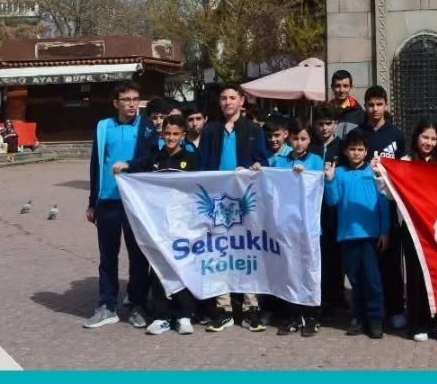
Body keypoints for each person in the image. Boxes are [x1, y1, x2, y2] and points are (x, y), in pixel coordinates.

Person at [196, 83, 270, 331]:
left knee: (247, 251)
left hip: (245, 202)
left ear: (242, 102)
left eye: (232, 98)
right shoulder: (210, 130)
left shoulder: (252, 130)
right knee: (219, 254)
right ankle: (223, 308)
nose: (227, 102)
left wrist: (255, 167)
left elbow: (262, 160)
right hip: (217, 201)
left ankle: (251, 308)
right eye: (223, 98)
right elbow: (202, 164)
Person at [116, 116, 199, 335]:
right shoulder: (155, 158)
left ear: (183, 135)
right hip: (159, 225)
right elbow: (136, 166)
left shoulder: (192, 160)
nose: (171, 138)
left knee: (182, 267)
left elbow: (205, 184)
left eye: (175, 134)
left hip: (183, 225)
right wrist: (125, 165)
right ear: (162, 135)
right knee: (159, 267)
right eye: (167, 133)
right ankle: (161, 315)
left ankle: (183, 315)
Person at [374, 119, 437, 342]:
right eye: (425, 137)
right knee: (416, 275)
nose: (428, 142)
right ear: (416, 137)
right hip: (411, 229)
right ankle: (418, 324)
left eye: (433, 138)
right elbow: (391, 193)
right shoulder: (404, 162)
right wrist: (381, 175)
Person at [85, 81, 152, 330]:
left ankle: (137, 305)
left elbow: (150, 159)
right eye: (126, 99)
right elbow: (96, 164)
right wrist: (92, 202)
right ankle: (107, 306)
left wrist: (130, 165)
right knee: (107, 257)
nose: (132, 104)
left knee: (138, 256)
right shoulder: (104, 127)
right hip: (108, 202)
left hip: (136, 202)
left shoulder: (146, 126)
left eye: (135, 99)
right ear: (116, 103)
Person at [325, 130, 391, 340]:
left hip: (371, 235)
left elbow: (383, 203)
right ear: (345, 151)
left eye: (360, 149)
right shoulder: (341, 173)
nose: (356, 153)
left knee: (372, 279)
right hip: (347, 235)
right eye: (352, 149)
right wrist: (330, 180)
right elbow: (333, 201)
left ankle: (375, 319)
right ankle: (358, 317)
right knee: (354, 279)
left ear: (366, 151)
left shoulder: (374, 173)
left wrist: (384, 231)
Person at [270, 119, 325, 337]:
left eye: (303, 139)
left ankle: (312, 316)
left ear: (310, 140)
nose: (299, 143)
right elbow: (268, 183)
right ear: (288, 138)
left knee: (309, 271)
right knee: (289, 272)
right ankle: (292, 315)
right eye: (295, 138)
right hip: (286, 226)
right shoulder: (279, 161)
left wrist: (305, 176)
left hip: (309, 227)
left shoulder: (316, 161)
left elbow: (320, 188)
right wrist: (256, 170)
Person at [359, 86, 406, 329]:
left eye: (379, 104)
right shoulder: (359, 133)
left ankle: (396, 307)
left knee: (391, 259)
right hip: (365, 204)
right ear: (365, 106)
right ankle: (373, 309)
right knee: (370, 261)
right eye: (371, 104)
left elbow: (406, 170)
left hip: (389, 202)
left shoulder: (396, 135)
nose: (375, 109)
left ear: (386, 105)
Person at [309, 104, 345, 314]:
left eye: (328, 124)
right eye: (320, 124)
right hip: (314, 208)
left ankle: (337, 296)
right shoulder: (311, 147)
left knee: (335, 252)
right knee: (318, 251)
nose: (324, 128)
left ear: (336, 125)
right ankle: (319, 295)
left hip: (335, 206)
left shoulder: (341, 147)